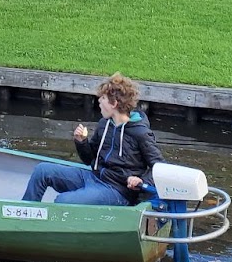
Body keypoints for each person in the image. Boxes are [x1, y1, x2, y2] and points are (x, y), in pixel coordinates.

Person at [21, 73, 162, 206]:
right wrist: (82, 142)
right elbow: (89, 159)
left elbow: (159, 167)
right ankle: (23, 214)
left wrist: (141, 180)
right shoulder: (104, 124)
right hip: (93, 178)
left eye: (103, 99)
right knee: (42, 171)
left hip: (117, 190)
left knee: (64, 201)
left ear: (114, 104)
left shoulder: (140, 133)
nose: (99, 101)